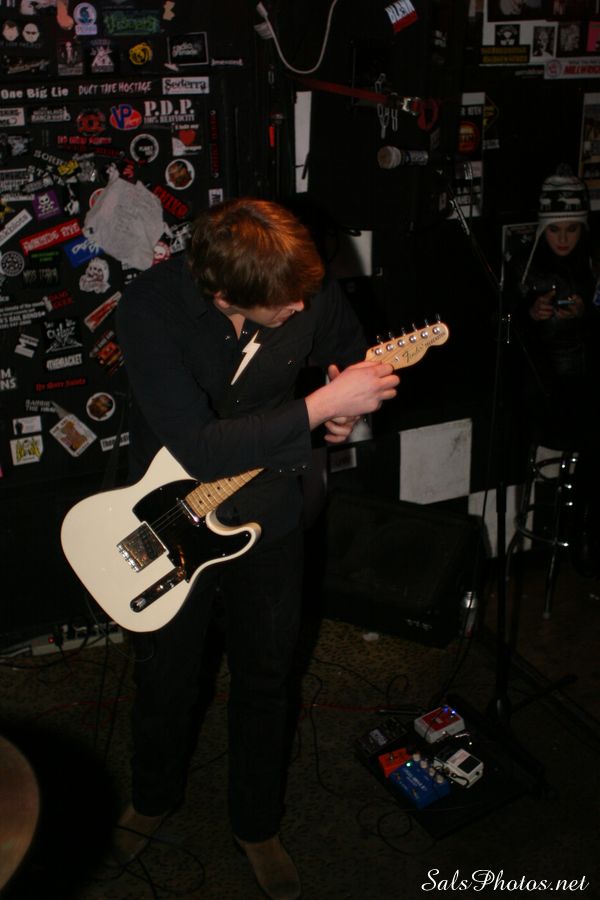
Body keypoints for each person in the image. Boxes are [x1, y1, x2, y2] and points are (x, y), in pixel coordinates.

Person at [111, 197, 399, 898]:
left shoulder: (301, 283)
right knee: (166, 674)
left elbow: (348, 351)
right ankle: (151, 796)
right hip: (170, 513)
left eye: (306, 294)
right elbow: (201, 446)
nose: (302, 308)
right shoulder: (149, 310)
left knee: (267, 677)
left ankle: (257, 824)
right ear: (224, 294)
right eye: (285, 305)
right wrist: (322, 408)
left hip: (269, 509)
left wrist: (343, 400)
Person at [504, 164, 600, 576]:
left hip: (585, 389)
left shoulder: (593, 266)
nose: (563, 238)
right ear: (543, 228)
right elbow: (503, 336)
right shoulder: (524, 266)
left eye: (571, 229)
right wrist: (530, 314)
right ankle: (581, 537)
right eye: (555, 229)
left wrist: (587, 314)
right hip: (541, 395)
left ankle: (584, 533)